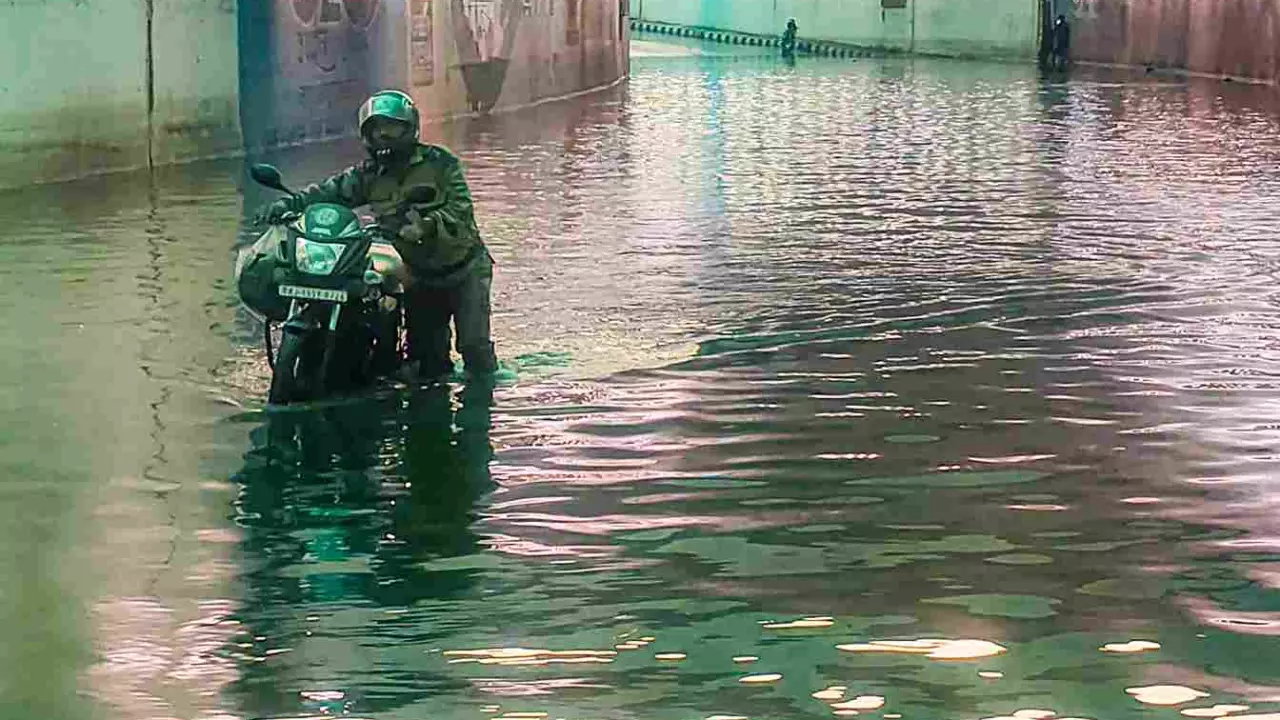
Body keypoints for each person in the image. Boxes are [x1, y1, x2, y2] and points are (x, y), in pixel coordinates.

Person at [255, 90, 498, 380]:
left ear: (410, 128)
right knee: (427, 362)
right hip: (417, 274)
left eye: (392, 127)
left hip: (464, 268)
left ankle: (483, 406)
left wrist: (427, 225)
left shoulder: (440, 163)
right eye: (376, 129)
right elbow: (329, 192)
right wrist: (287, 204)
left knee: (474, 349)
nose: (384, 135)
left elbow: (461, 210)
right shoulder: (368, 174)